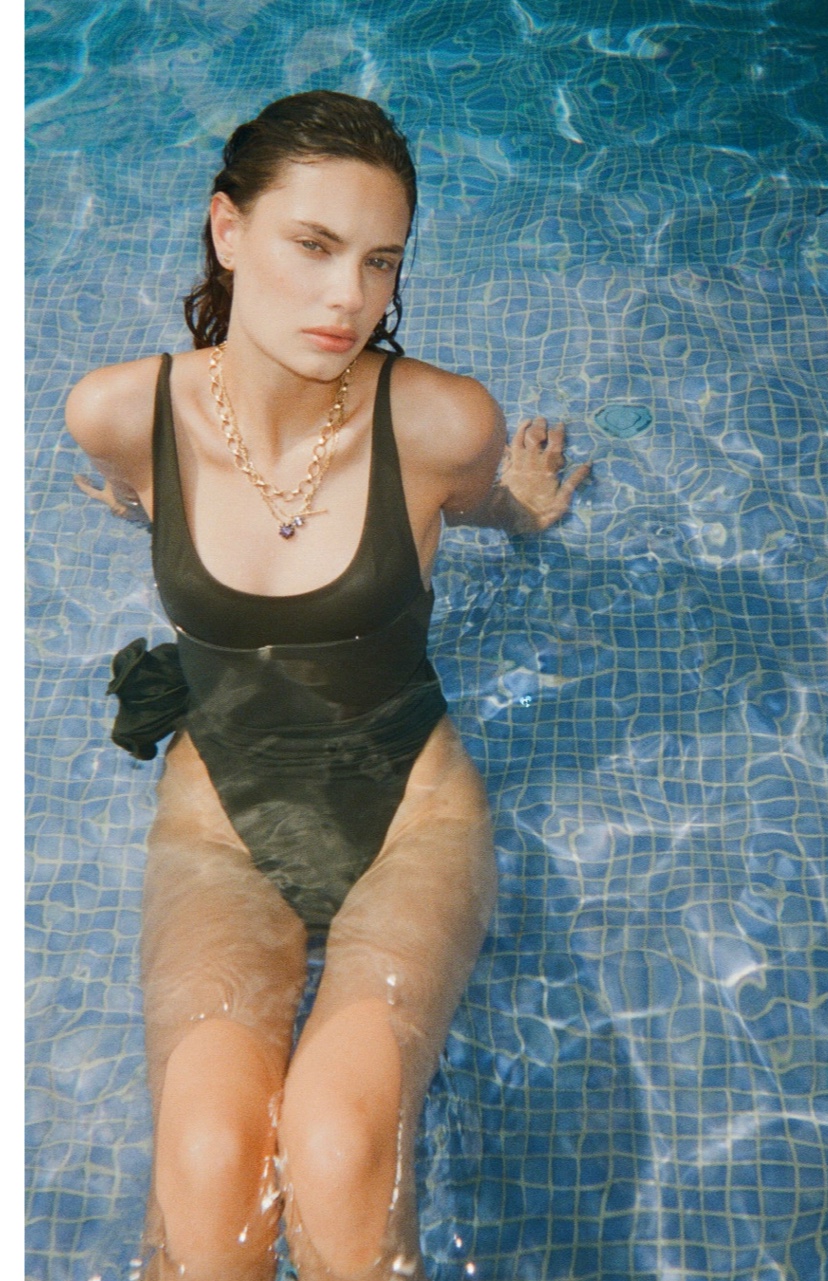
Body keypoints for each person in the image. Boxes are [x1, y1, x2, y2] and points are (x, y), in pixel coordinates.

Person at [66, 89, 589, 1281]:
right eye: (313, 245)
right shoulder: (118, 413)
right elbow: (141, 486)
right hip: (221, 822)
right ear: (228, 230)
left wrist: (522, 507)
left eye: (380, 261)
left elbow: (482, 505)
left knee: (339, 1142)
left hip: (411, 816)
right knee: (205, 1152)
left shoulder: (442, 422)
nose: (350, 297)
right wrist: (154, 503)